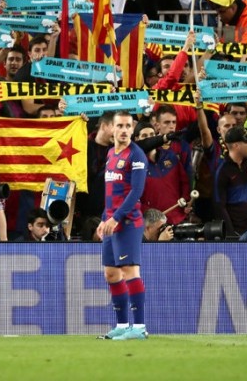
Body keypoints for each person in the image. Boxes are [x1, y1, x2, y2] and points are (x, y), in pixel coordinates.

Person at [98, 112, 149, 341]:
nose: (124, 130)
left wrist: (116, 218)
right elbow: (110, 193)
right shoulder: (110, 154)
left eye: (128, 126)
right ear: (111, 129)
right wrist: (104, 218)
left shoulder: (137, 155)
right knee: (111, 273)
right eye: (120, 125)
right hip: (110, 221)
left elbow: (136, 192)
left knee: (130, 271)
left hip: (127, 222)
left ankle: (138, 328)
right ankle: (122, 324)